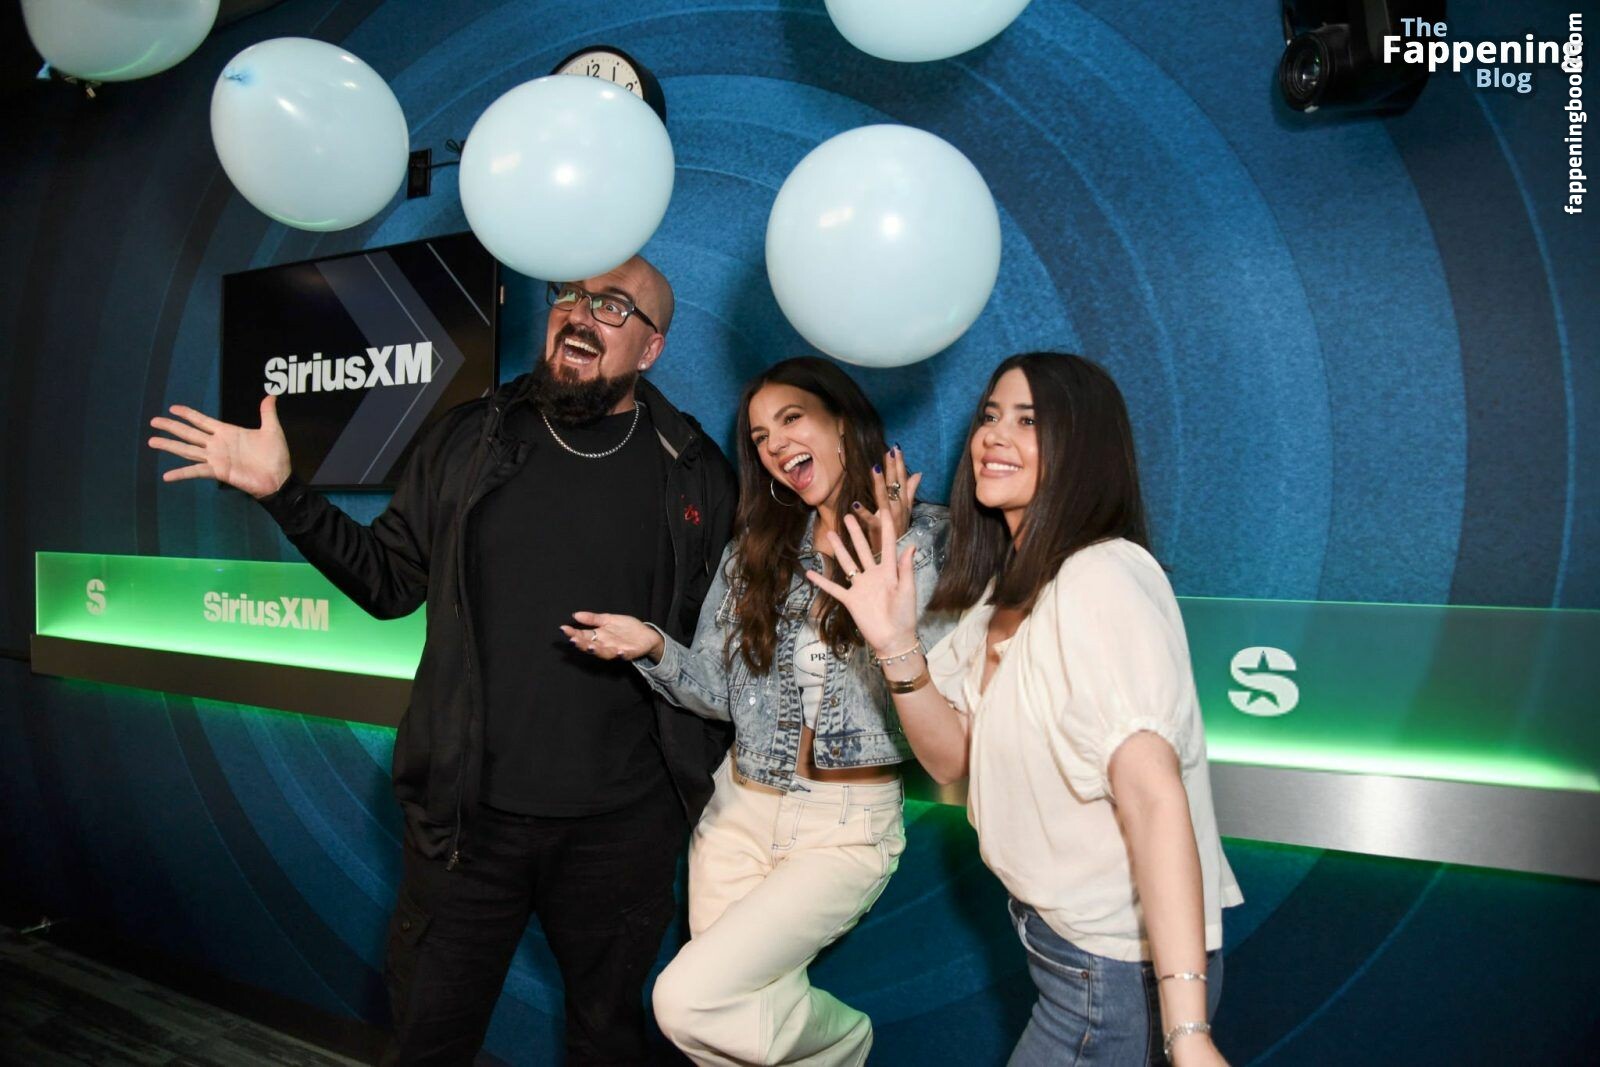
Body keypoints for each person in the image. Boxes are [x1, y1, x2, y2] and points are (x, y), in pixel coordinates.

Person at [147, 255, 739, 1066]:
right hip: (468, 827)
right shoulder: (471, 435)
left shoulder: (694, 469)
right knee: (428, 1042)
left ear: (652, 347)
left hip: (621, 832)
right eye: (569, 294)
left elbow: (721, 651)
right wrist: (287, 495)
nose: (579, 314)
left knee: (607, 1041)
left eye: (611, 305)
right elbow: (388, 580)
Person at [808, 353, 1243, 1067]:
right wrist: (894, 644)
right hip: (1068, 953)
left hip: (1117, 974)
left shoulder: (1099, 577)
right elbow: (950, 757)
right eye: (990, 416)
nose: (993, 435)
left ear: (1083, 448)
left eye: (1028, 420)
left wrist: (1188, 1033)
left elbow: (1153, 793)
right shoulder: (1005, 591)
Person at [561, 356, 949, 1066]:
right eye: (761, 436)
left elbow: (933, 687)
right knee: (722, 1031)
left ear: (842, 421)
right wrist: (653, 646)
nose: (774, 445)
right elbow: (718, 690)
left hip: (844, 828)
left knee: (687, 1002)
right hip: (738, 812)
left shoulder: (929, 537)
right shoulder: (757, 551)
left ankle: (844, 1042)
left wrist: (888, 551)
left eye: (792, 419)